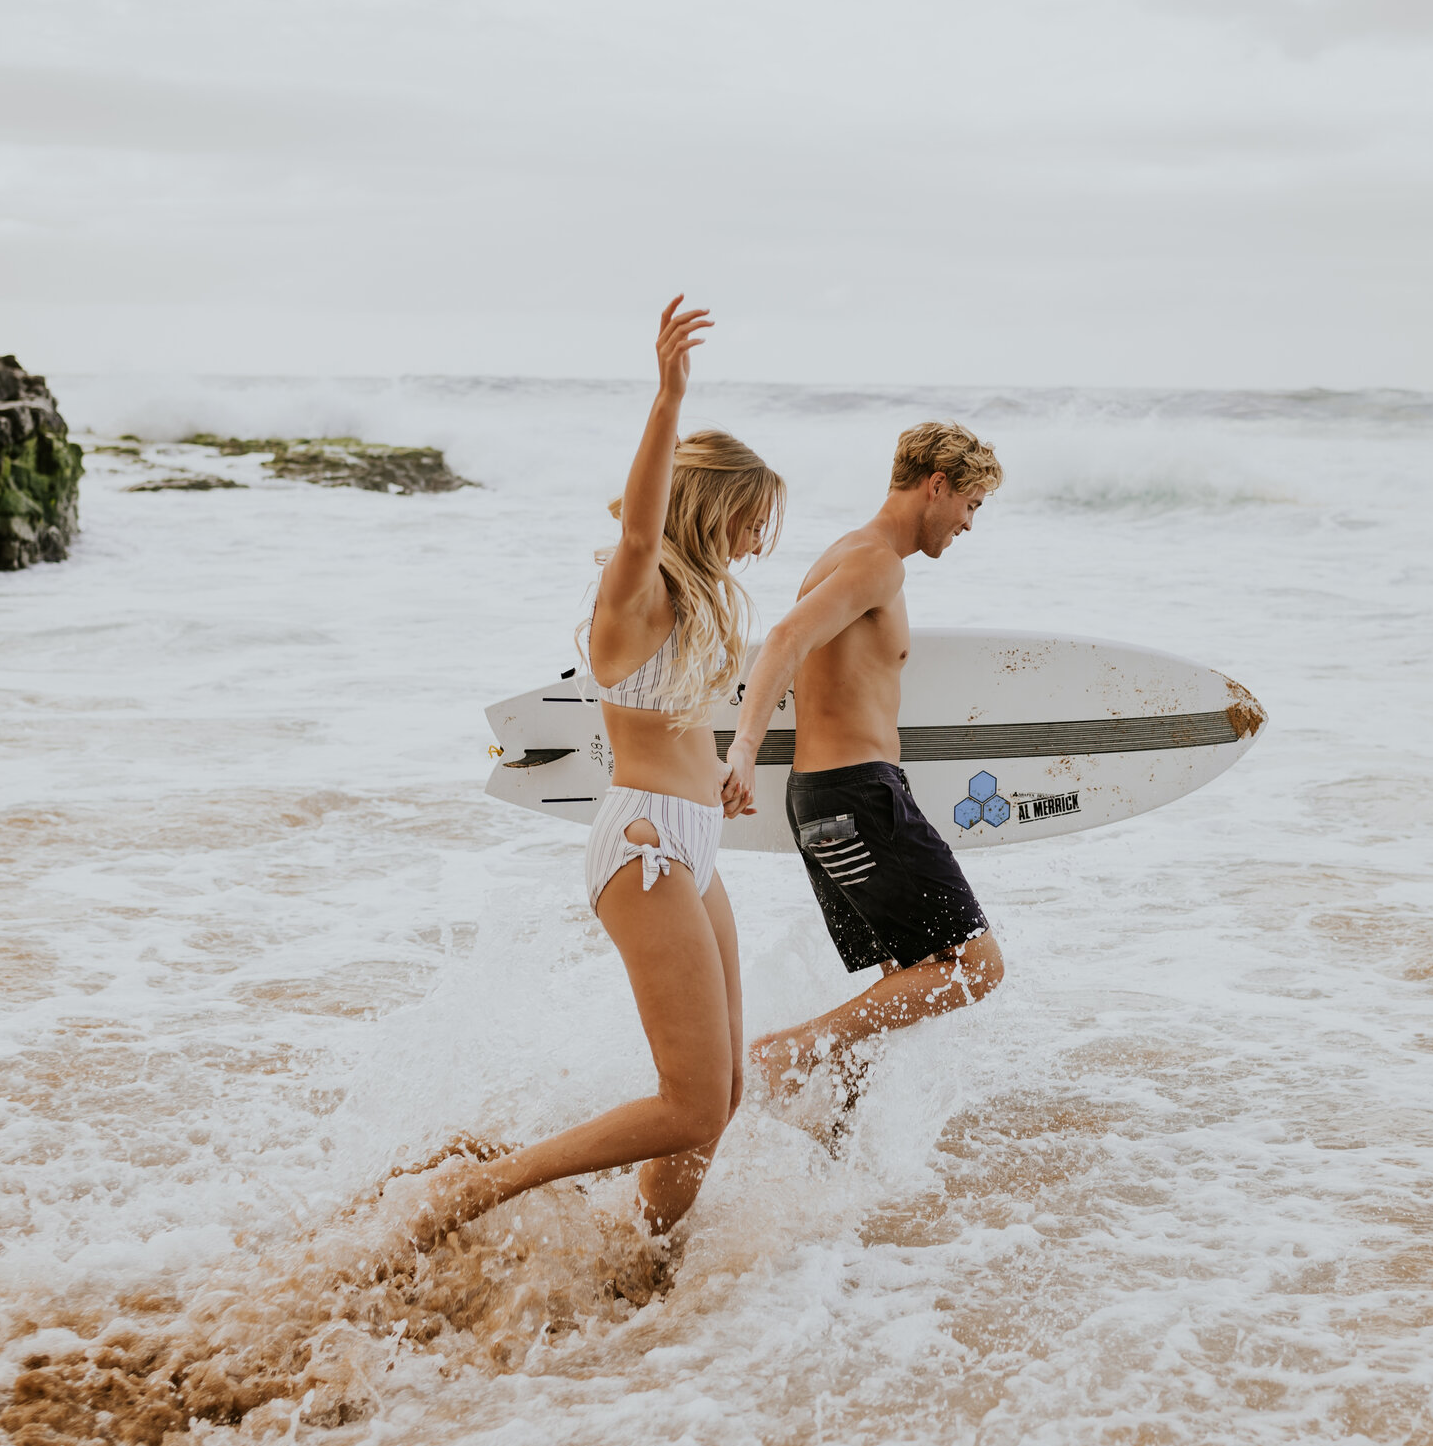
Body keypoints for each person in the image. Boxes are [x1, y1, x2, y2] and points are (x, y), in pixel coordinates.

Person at [399, 297, 784, 1249]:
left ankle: (642, 1250)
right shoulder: (637, 587)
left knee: (722, 1094)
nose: (756, 541)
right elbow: (646, 533)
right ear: (713, 504)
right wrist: (666, 399)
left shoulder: (693, 610)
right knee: (689, 1103)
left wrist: (728, 769)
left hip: (692, 840)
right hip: (644, 845)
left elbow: (683, 723)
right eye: (750, 519)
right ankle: (482, 1188)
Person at [720, 421, 1007, 1107]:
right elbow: (784, 639)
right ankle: (784, 1053)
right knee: (975, 966)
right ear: (936, 486)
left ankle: (834, 1149)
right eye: (970, 504)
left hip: (824, 802)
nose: (968, 524)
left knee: (902, 983)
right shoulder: (878, 561)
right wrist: (742, 747)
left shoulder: (847, 555)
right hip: (859, 797)